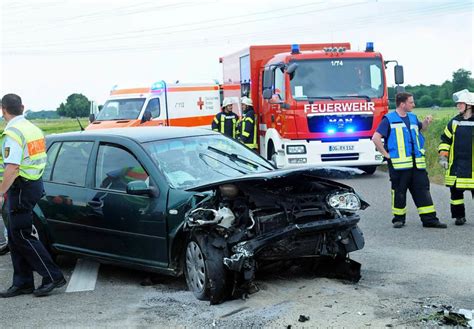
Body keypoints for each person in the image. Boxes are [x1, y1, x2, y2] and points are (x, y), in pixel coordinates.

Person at [0, 94, 66, 298]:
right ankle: (22, 282)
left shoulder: (12, 132)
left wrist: (1, 192)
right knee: (14, 234)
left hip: (21, 187)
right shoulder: (32, 128)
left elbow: (13, 167)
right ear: (22, 107)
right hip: (33, 184)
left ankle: (53, 276)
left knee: (21, 234)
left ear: (3, 110)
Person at [372, 92, 447, 229]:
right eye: (411, 102)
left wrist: (425, 123)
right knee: (399, 191)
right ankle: (399, 219)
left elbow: (421, 129)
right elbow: (376, 138)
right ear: (402, 104)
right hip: (399, 166)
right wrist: (386, 154)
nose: (414, 104)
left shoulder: (412, 117)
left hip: (417, 164)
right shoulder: (388, 119)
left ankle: (430, 220)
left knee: (423, 190)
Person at [438, 89, 474, 226]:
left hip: (472, 166)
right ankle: (459, 216)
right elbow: (445, 140)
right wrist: (443, 157)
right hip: (456, 165)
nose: (458, 106)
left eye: (461, 104)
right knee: (455, 195)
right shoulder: (454, 122)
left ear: (469, 105)